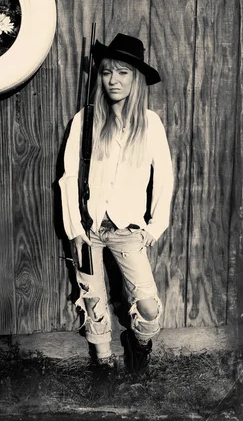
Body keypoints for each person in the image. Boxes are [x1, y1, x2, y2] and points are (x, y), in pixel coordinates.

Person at [59, 33, 174, 373]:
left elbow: (164, 177)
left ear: (136, 78)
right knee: (93, 303)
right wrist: (75, 231)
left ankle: (138, 346)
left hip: (128, 231)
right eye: (108, 72)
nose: (113, 80)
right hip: (88, 229)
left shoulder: (150, 124)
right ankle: (103, 365)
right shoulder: (86, 120)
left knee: (149, 306)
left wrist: (155, 226)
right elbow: (68, 177)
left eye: (123, 73)